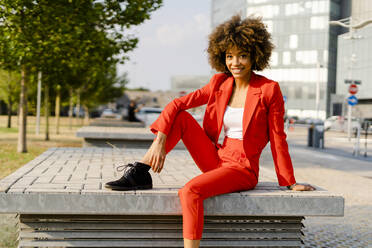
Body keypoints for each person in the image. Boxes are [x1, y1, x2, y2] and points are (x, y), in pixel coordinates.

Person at [105, 15, 315, 248]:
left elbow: (278, 138)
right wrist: (160, 140)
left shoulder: (268, 90)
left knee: (190, 191)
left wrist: (289, 182)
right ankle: (141, 171)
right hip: (216, 157)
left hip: (242, 168)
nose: (235, 63)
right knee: (181, 117)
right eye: (229, 56)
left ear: (255, 55)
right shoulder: (219, 83)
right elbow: (176, 105)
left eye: (242, 55)